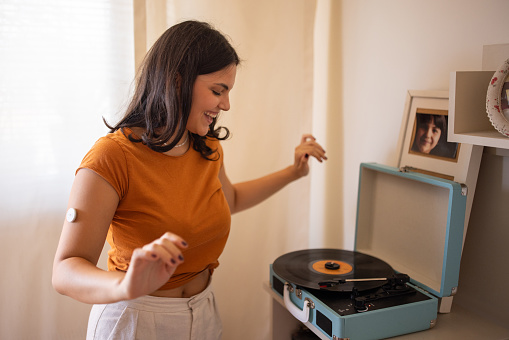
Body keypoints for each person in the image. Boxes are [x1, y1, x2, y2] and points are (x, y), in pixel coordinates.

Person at [52, 20, 327, 340]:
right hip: (135, 318)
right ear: (177, 81)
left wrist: (293, 172)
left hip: (203, 313)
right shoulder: (112, 157)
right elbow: (65, 270)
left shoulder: (206, 145)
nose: (225, 105)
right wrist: (126, 285)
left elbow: (231, 199)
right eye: (217, 90)